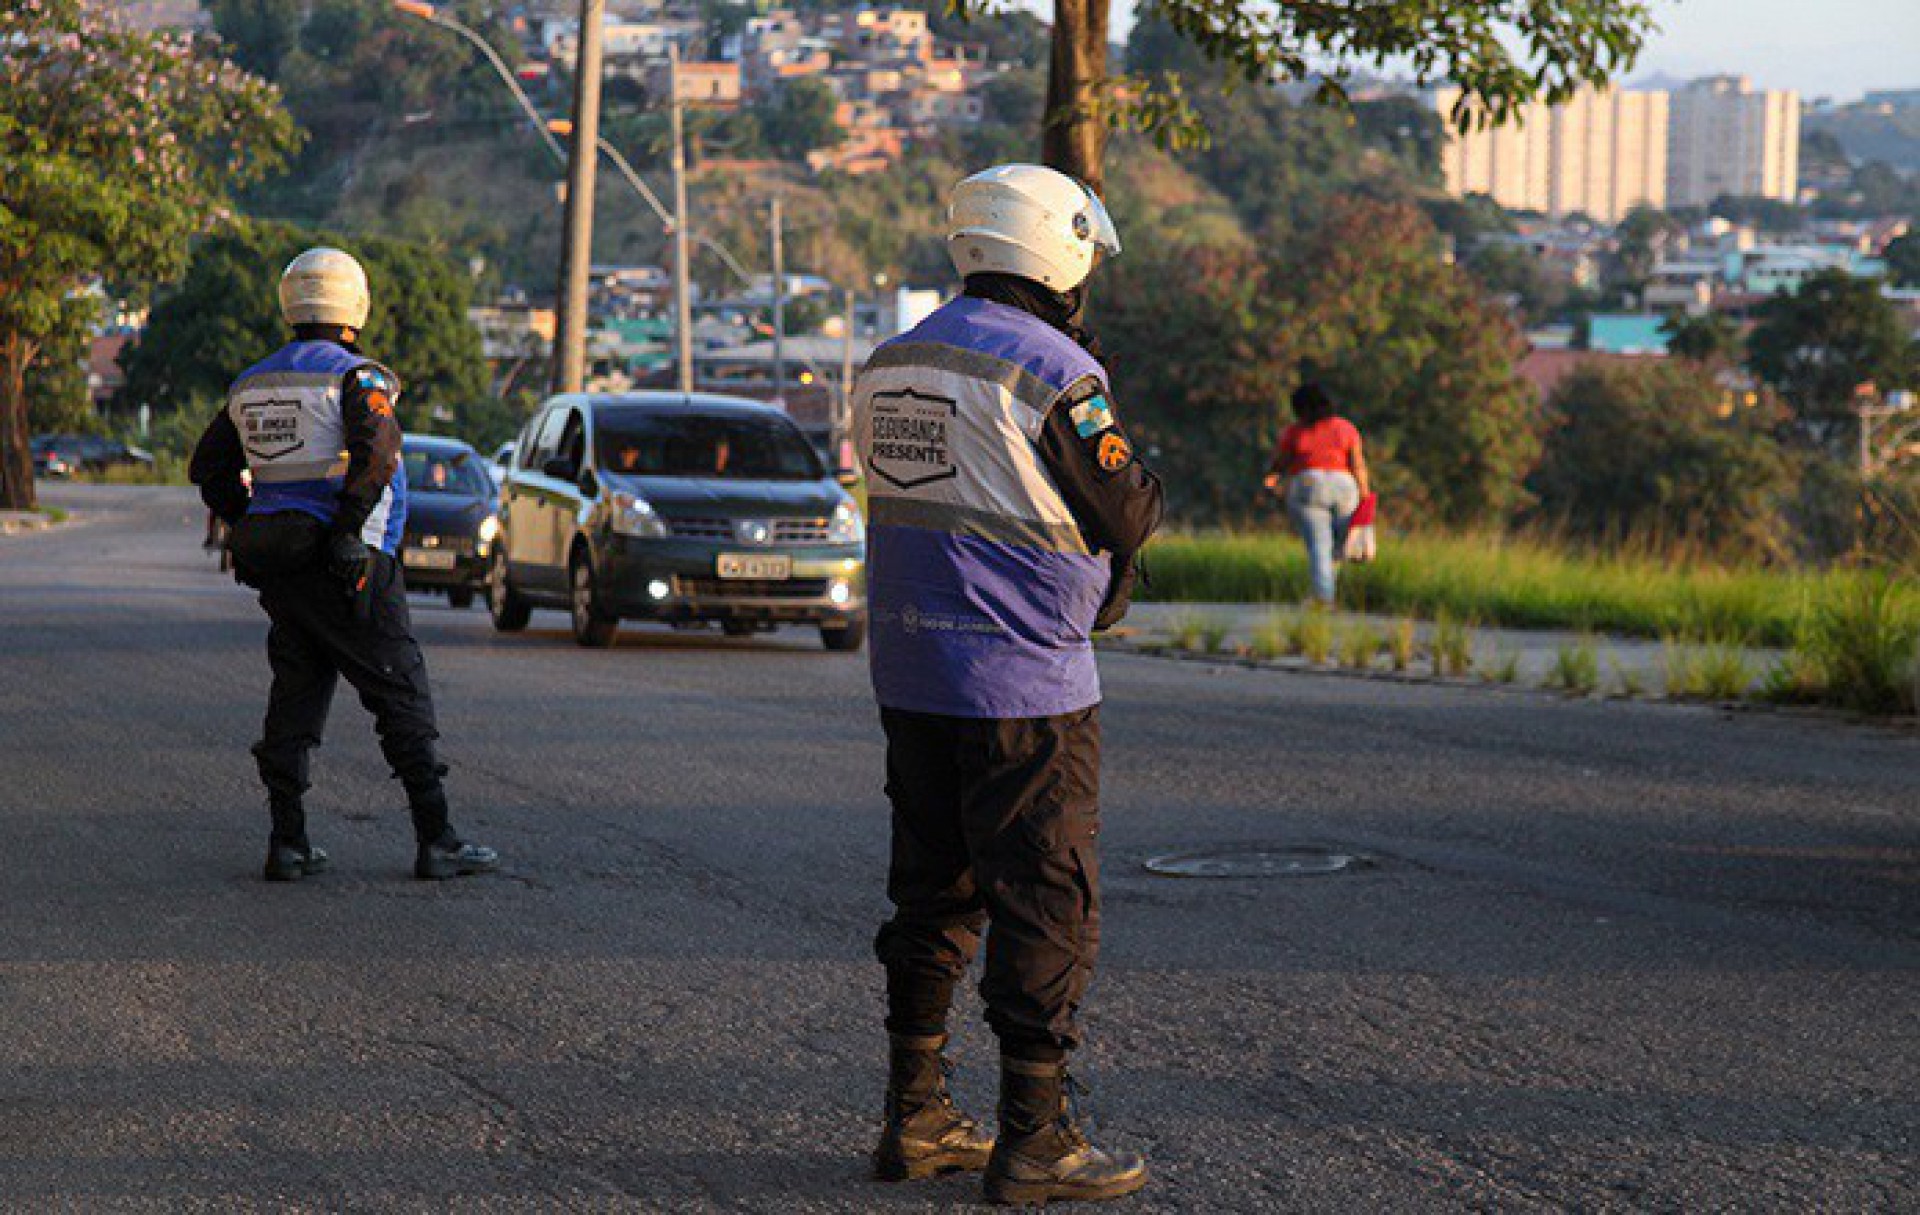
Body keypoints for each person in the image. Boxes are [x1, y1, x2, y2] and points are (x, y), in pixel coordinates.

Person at [853, 163, 1164, 1206]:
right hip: (1025, 680)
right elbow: (1124, 514)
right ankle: (1036, 1138)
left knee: (931, 890)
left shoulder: (891, 361)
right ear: (1058, 248)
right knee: (1043, 899)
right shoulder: (1053, 370)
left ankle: (915, 1117)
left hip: (911, 667)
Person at [188, 247, 499, 884]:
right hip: (353, 563)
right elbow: (379, 458)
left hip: (283, 568)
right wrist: (348, 532)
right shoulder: (357, 378)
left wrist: (249, 520)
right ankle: (437, 838)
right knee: (399, 691)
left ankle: (288, 841)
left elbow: (208, 469)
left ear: (291, 303)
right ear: (354, 305)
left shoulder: (251, 384)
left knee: (294, 698)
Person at [1263, 382, 1371, 605]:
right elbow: (1357, 464)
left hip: (1309, 485)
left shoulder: (1296, 431)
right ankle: (1326, 587)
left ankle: (1323, 597)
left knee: (1319, 543)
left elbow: (1281, 461)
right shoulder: (1345, 428)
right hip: (1344, 485)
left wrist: (1272, 476)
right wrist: (1365, 494)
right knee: (1341, 543)